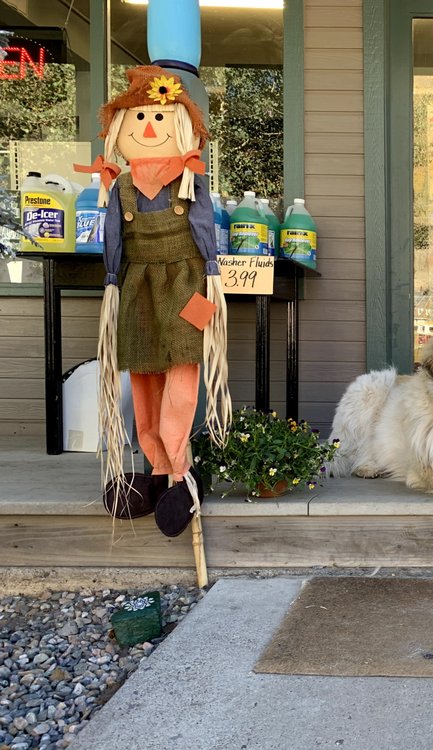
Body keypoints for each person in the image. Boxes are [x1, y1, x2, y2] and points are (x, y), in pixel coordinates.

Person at [78, 65, 231, 536]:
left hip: (187, 286)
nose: (148, 128)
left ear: (181, 128)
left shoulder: (191, 183)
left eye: (161, 119)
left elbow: (207, 237)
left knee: (182, 379)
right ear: (119, 130)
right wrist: (110, 284)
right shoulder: (119, 187)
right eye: (139, 118)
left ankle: (181, 471)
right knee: (143, 378)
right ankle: (157, 472)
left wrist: (213, 287)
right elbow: (113, 241)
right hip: (136, 287)